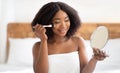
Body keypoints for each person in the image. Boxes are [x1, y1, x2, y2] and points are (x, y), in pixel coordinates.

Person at [31, 1, 108, 73]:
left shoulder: (77, 41)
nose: (63, 26)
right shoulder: (38, 46)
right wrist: (44, 41)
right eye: (57, 22)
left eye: (66, 20)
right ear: (46, 24)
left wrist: (94, 59)